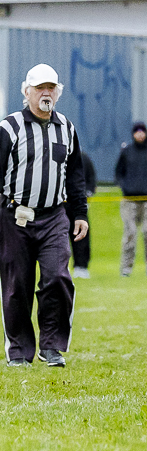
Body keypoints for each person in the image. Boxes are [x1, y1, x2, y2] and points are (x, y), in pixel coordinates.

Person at [0, 63, 89, 368]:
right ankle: (19, 351)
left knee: (58, 277)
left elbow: (75, 176)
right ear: (27, 92)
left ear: (58, 93)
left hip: (54, 216)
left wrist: (80, 214)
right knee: (16, 286)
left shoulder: (67, 127)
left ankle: (51, 347)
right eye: (40, 88)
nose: (46, 93)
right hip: (15, 216)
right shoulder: (8, 128)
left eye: (51, 88)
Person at [115, 121, 147, 278]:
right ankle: (126, 268)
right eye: (136, 131)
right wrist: (126, 188)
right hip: (130, 201)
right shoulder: (127, 151)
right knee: (130, 234)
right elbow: (119, 173)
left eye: (142, 131)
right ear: (133, 134)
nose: (139, 134)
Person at [65, 151, 96, 279]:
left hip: (78, 203)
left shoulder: (83, 158)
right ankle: (61, 265)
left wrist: (87, 194)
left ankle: (81, 266)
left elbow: (91, 178)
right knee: (57, 236)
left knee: (81, 233)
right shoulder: (54, 155)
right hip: (59, 204)